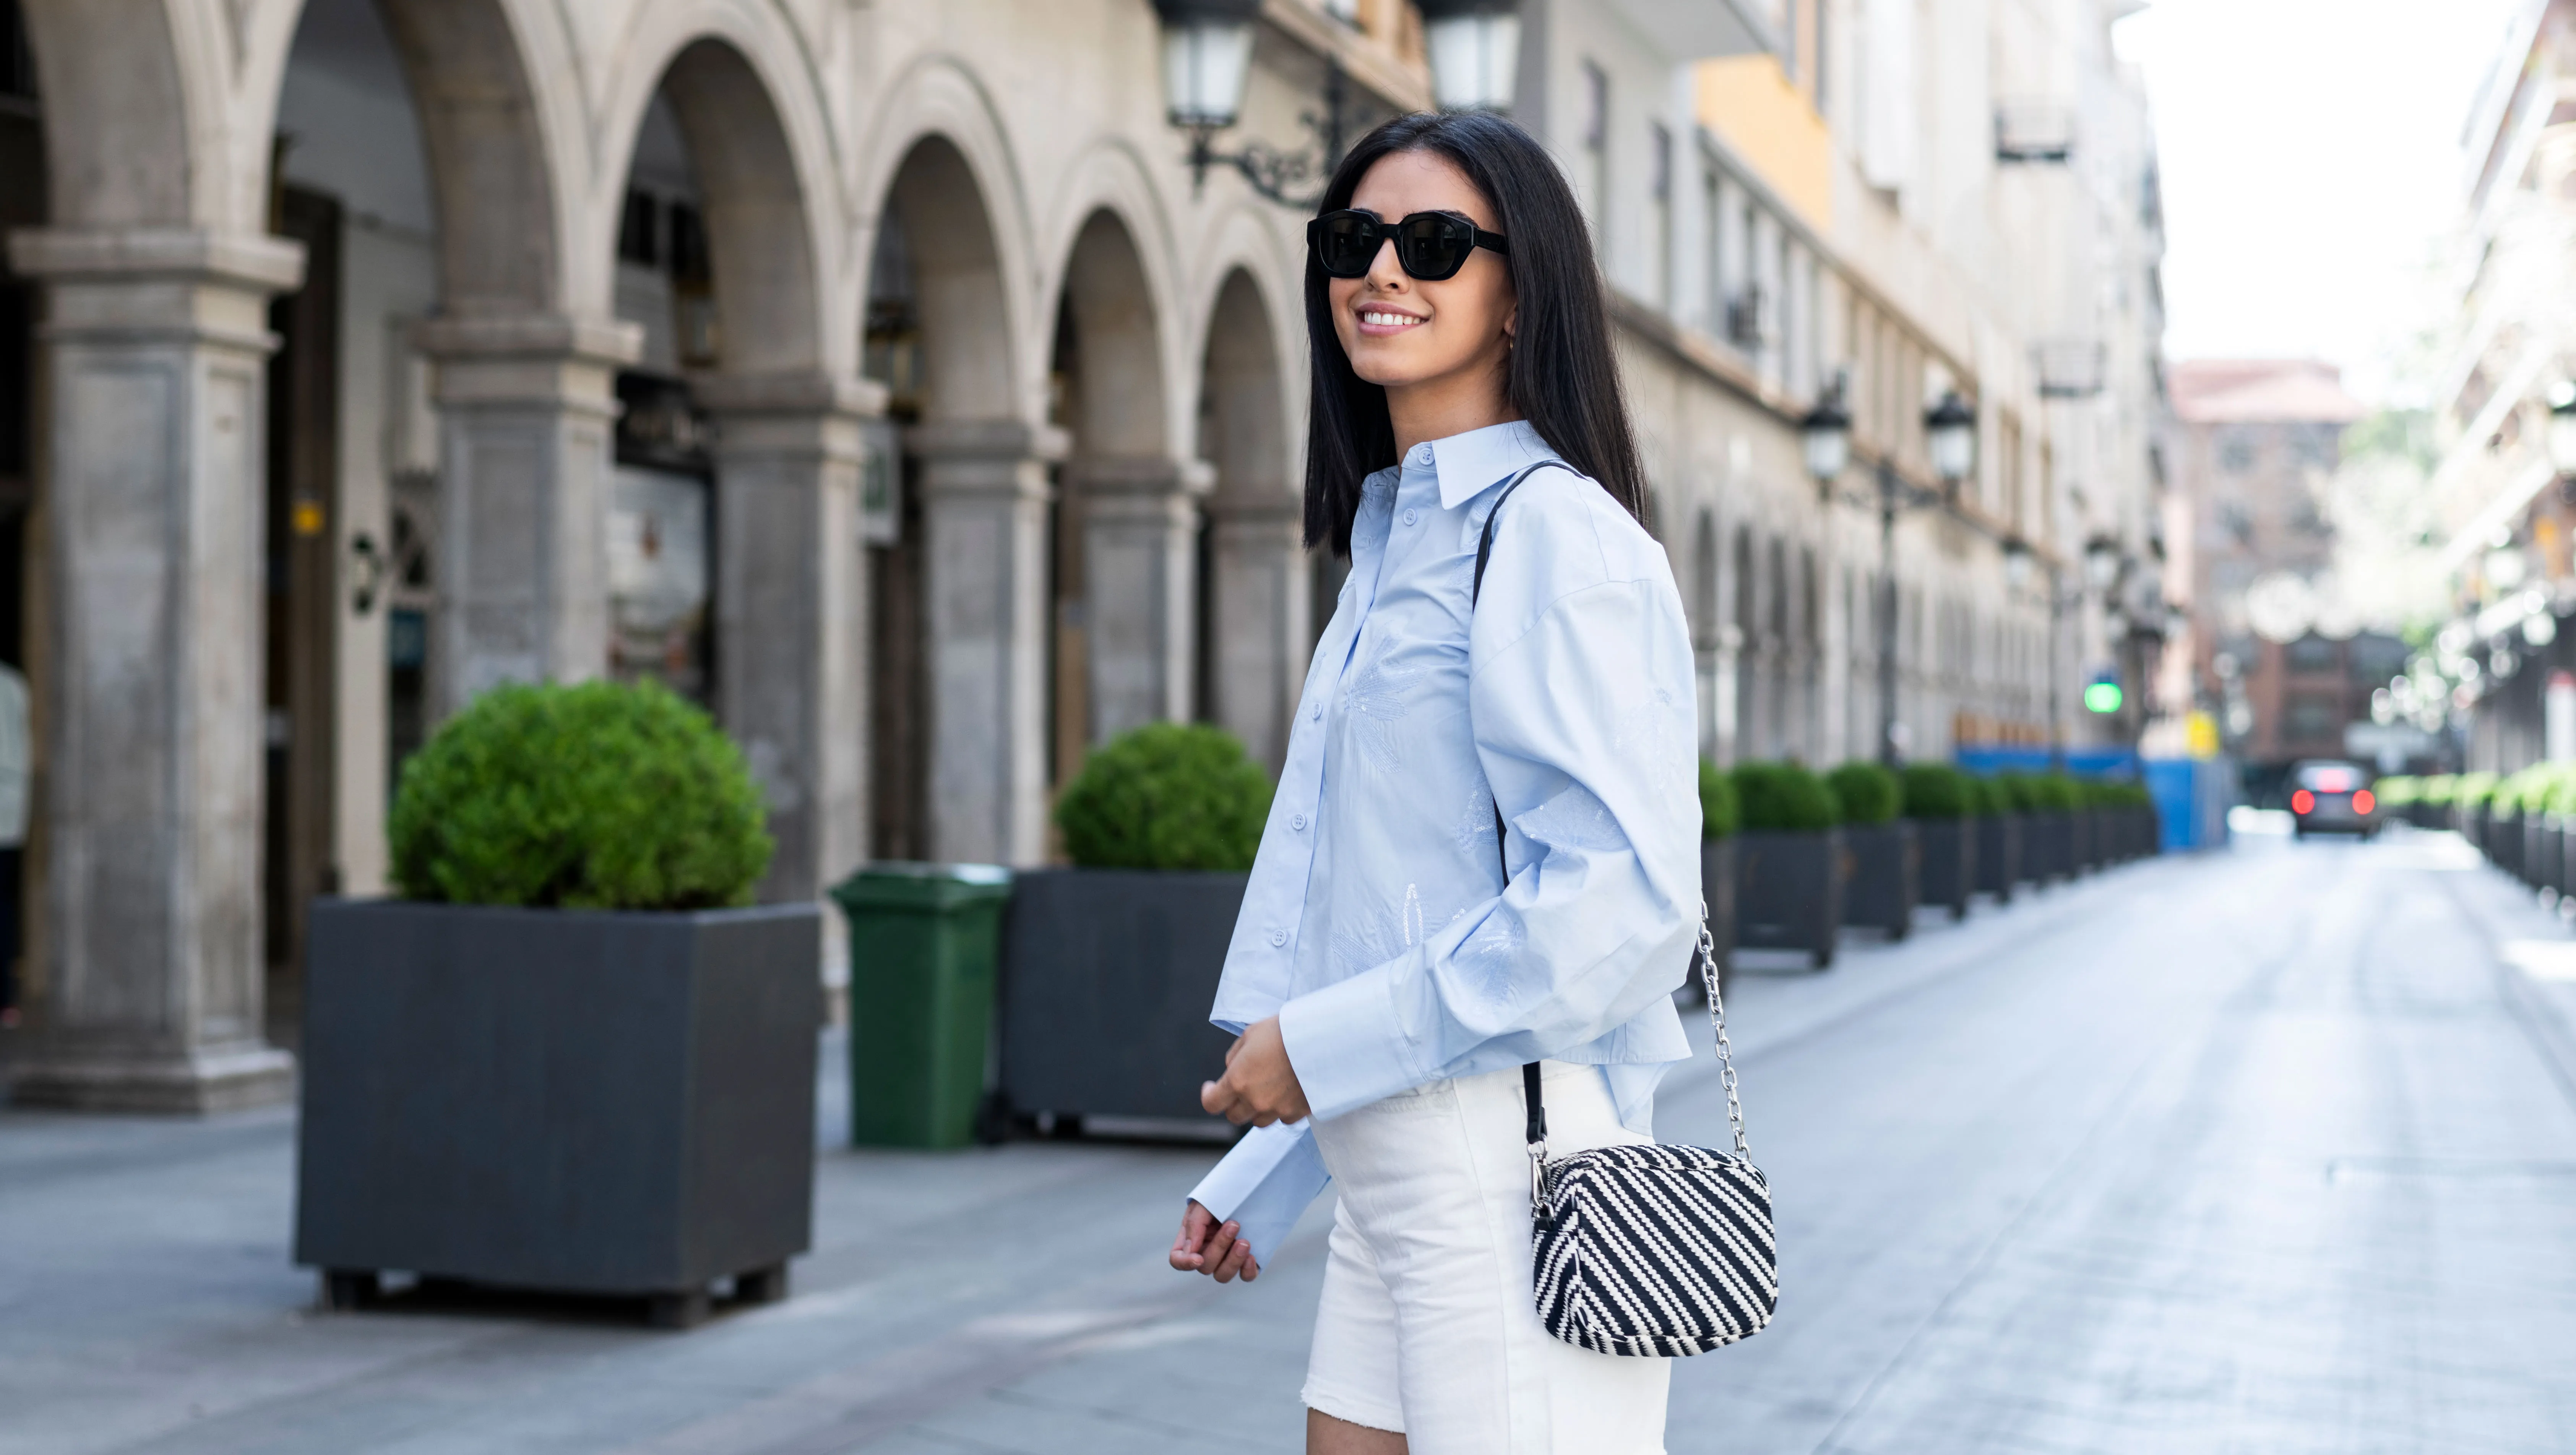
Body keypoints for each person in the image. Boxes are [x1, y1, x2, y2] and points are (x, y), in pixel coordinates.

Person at [1166, 110, 1702, 1455]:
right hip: (1392, 1175)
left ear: (1524, 292)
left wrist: (1317, 1050)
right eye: (1354, 239)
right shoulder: (1400, 537)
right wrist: (1276, 1158)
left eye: (1436, 241)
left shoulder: (1554, 537)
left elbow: (1620, 906)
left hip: (1506, 1173)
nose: (1383, 270)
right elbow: (1392, 899)